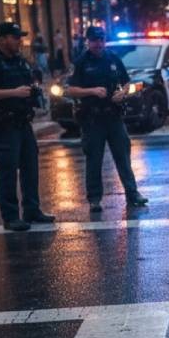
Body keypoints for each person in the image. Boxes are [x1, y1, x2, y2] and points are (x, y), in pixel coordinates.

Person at [0, 22, 56, 231]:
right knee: (8, 170)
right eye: (14, 37)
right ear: (2, 39)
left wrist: (34, 92)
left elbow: (28, 86)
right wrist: (14, 92)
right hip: (4, 123)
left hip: (23, 122)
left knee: (30, 167)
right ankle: (10, 216)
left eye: (19, 37)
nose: (19, 41)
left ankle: (32, 209)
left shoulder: (21, 62)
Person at [65, 26, 148, 213]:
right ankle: (94, 199)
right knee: (94, 160)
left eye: (101, 40)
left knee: (123, 157)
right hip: (92, 119)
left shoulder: (113, 59)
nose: (99, 44)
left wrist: (122, 92)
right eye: (95, 40)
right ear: (88, 41)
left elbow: (126, 82)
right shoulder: (80, 63)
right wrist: (91, 91)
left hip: (114, 117)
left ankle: (132, 194)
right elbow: (69, 90)